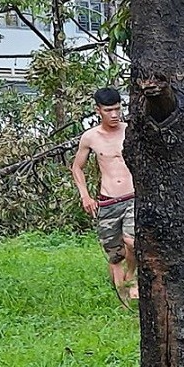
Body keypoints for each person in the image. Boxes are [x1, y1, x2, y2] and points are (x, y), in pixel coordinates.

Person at [71, 88, 138, 303]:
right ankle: (123, 296)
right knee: (114, 253)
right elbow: (77, 168)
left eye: (117, 109)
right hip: (108, 199)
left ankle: (133, 279)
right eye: (109, 110)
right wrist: (85, 196)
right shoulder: (90, 137)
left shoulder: (130, 131)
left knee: (132, 241)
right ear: (98, 110)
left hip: (132, 196)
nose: (114, 115)